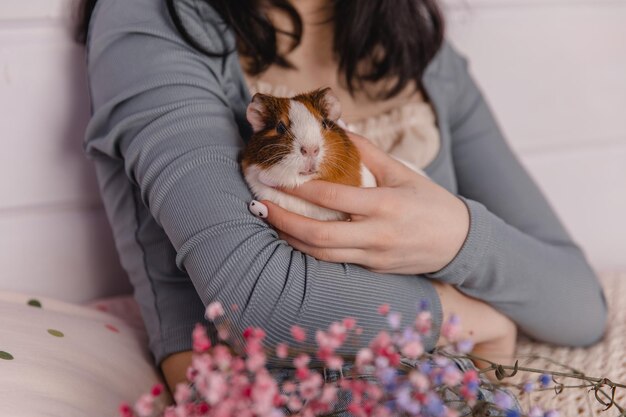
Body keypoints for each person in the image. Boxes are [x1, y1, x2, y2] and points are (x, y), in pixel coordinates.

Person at [79, 0, 607, 404]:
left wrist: (455, 238)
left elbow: (579, 305)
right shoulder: (153, 22)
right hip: (271, 398)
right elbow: (260, 299)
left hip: (436, 395)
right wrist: (468, 317)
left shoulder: (418, 48)